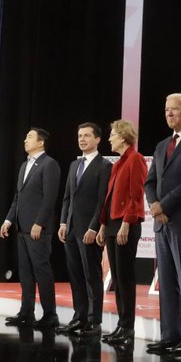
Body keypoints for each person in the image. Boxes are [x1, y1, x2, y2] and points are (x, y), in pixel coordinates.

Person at [144, 93, 181, 356]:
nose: (169, 114)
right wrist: (155, 206)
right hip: (161, 223)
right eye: (166, 109)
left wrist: (164, 205)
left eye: (174, 109)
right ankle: (169, 336)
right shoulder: (161, 145)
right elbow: (149, 182)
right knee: (166, 281)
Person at [1, 128, 62, 329]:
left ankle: (50, 315)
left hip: (38, 229)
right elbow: (18, 198)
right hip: (22, 228)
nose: (25, 140)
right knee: (26, 272)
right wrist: (9, 220)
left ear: (41, 142)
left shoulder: (49, 164)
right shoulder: (24, 165)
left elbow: (49, 198)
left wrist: (40, 223)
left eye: (29, 137)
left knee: (41, 270)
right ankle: (26, 312)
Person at [56, 122, 112, 337]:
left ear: (98, 139)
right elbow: (67, 198)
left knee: (92, 276)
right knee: (76, 276)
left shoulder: (104, 165)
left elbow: (101, 201)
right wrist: (63, 222)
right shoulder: (74, 165)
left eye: (87, 135)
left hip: (88, 230)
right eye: (80, 135)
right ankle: (78, 317)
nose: (82, 139)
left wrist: (93, 226)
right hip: (70, 229)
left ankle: (94, 321)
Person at [96, 120, 148, 345]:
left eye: (112, 134)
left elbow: (136, 195)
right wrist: (103, 225)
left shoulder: (136, 159)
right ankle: (121, 324)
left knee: (125, 277)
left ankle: (128, 328)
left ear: (124, 137)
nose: (109, 138)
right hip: (112, 224)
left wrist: (126, 223)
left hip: (126, 224)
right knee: (117, 277)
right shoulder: (117, 164)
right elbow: (110, 199)